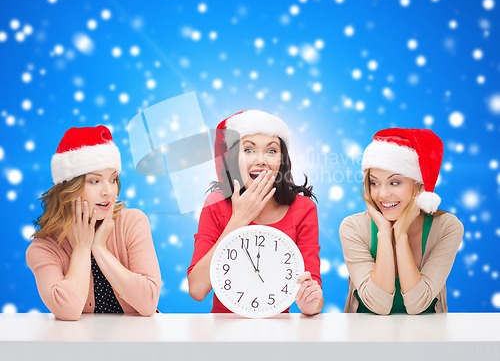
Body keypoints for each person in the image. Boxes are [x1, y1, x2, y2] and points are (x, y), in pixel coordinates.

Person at [188, 110, 323, 315]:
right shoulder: (215, 204)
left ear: (281, 160)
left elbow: (314, 296)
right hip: (223, 330)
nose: (261, 160)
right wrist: (239, 219)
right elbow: (197, 289)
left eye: (271, 151)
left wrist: (310, 302)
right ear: (234, 158)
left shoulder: (303, 208)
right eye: (249, 150)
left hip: (279, 332)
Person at [26, 125, 161, 321]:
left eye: (113, 179)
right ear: (69, 188)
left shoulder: (132, 223)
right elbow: (68, 311)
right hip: (81, 347)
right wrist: (82, 248)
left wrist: (99, 248)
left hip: (138, 342)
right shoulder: (44, 249)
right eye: (94, 181)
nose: (108, 191)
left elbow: (148, 303)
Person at [339, 128, 464, 315]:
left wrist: (401, 234)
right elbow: (379, 305)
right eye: (374, 183)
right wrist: (383, 231)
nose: (382, 194)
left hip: (427, 339)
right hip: (364, 339)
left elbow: (417, 305)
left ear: (419, 185)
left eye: (395, 182)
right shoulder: (353, 227)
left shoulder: (447, 227)